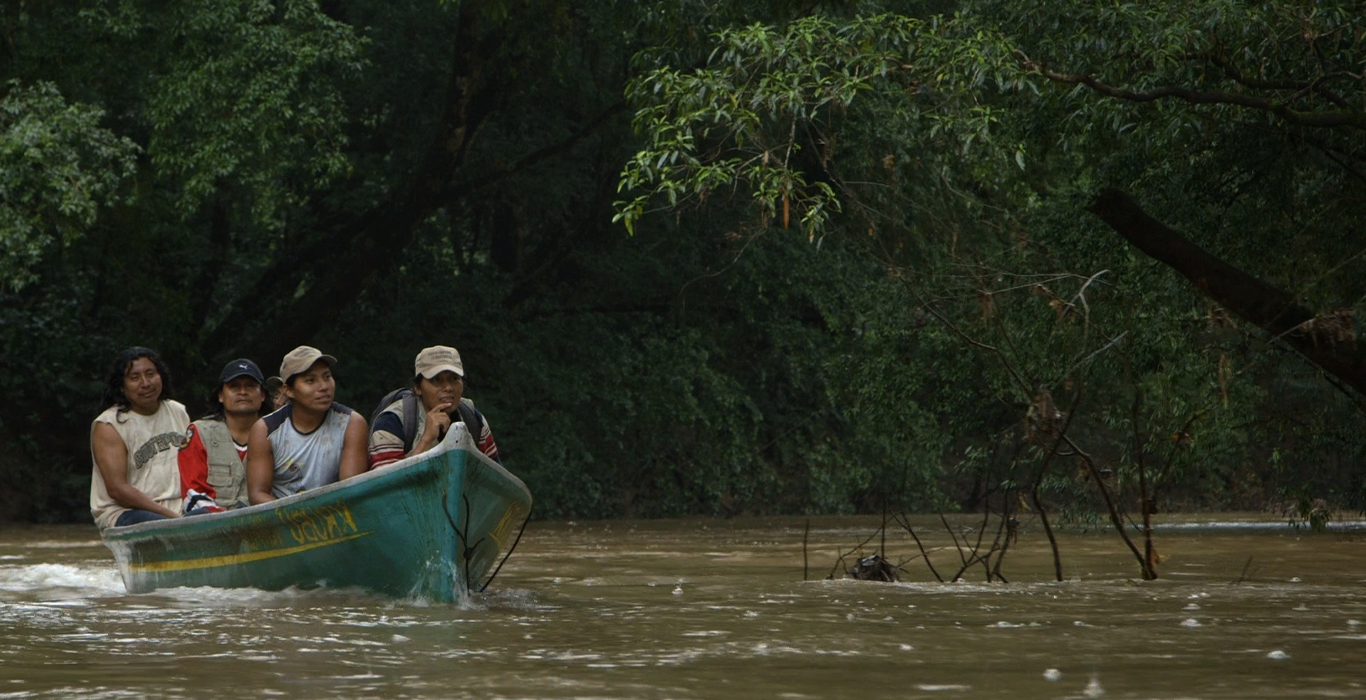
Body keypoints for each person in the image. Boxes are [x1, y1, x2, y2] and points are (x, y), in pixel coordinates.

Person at [246, 346, 368, 504]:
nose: (323, 387)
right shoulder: (265, 430)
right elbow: (257, 495)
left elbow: (351, 492)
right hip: (282, 514)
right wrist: (297, 514)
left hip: (336, 511)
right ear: (288, 390)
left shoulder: (351, 424)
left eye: (327, 377)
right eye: (311, 380)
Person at [90, 347, 191, 529]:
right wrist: (173, 517)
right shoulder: (109, 425)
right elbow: (117, 490)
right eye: (135, 378)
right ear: (122, 386)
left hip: (178, 507)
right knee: (161, 524)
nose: (145, 383)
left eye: (150, 374)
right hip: (126, 512)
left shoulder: (178, 411)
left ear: (161, 376)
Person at [368, 345, 501, 469]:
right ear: (417, 387)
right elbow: (386, 483)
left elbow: (496, 478)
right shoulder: (392, 422)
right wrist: (427, 439)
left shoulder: (473, 419)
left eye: (454, 379)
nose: (448, 387)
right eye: (436, 380)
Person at [178, 358, 268, 514]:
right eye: (234, 386)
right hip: (212, 522)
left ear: (263, 395)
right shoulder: (200, 432)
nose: (242, 392)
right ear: (220, 395)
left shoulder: (277, 433)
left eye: (250, 386)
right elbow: (193, 494)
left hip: (265, 520)